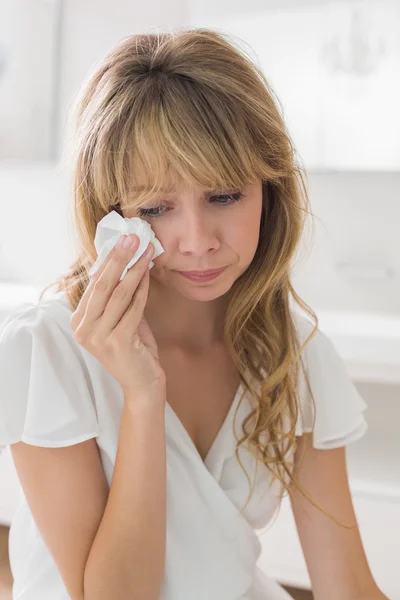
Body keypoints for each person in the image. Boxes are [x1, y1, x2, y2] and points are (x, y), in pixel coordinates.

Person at [0, 28, 388, 600]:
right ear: (113, 214)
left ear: (269, 191)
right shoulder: (47, 349)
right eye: (157, 208)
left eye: (225, 196)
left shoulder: (296, 355)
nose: (197, 240)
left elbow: (348, 588)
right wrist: (141, 396)